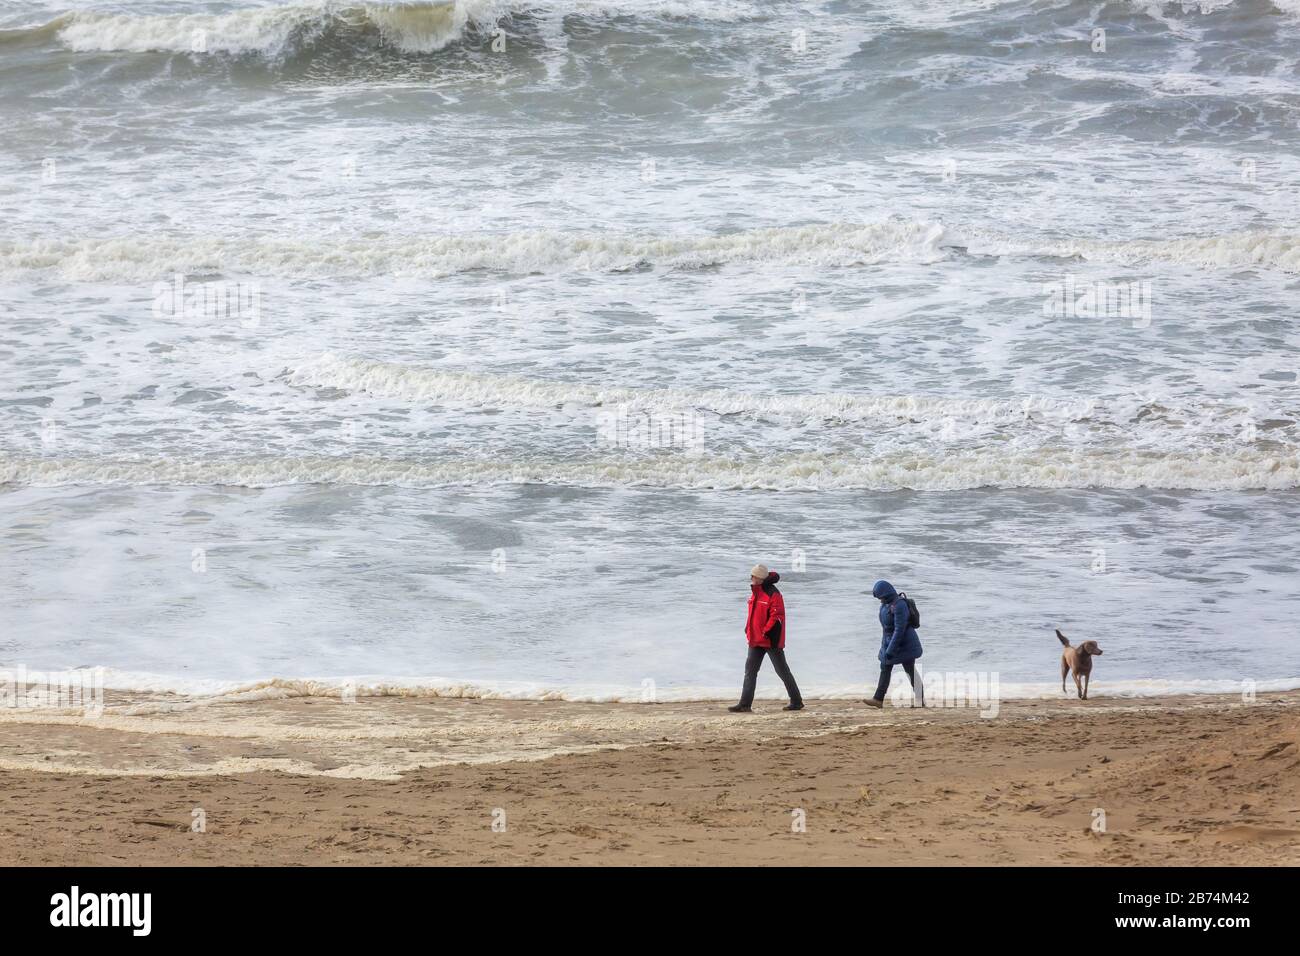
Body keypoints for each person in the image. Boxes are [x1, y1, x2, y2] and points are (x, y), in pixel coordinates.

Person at [729, 564, 804, 713]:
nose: (751, 578)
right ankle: (745, 704)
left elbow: (777, 617)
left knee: (782, 671)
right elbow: (753, 615)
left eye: (753, 576)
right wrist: (748, 629)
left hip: (770, 640)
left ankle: (797, 701)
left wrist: (765, 632)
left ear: (760, 578)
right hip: (755, 640)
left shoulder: (773, 594)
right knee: (750, 671)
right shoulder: (755, 592)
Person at [863, 579, 922, 708]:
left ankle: (920, 700)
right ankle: (878, 699)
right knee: (885, 668)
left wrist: (890, 650)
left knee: (910, 670)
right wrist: (885, 647)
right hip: (890, 642)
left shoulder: (899, 605)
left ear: (886, 594)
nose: (879, 600)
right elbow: (886, 628)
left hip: (905, 644)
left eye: (880, 597)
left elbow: (899, 630)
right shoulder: (885, 604)